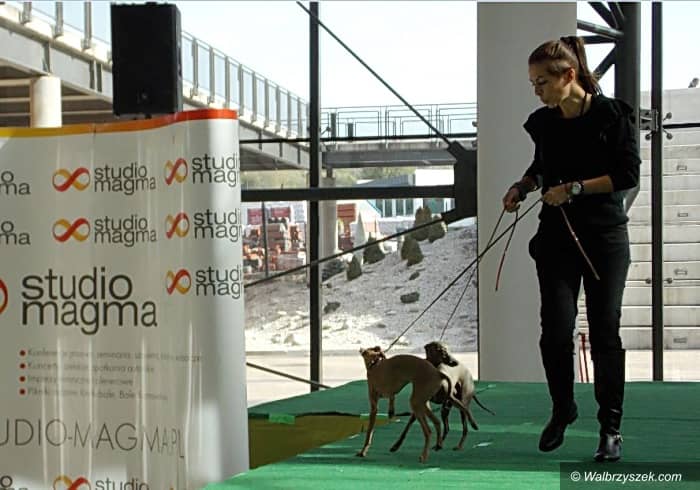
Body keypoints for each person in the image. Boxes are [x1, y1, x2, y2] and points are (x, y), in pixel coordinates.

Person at [502, 36, 640, 462]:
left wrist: (574, 189)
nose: (537, 90)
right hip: (556, 239)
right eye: (533, 83)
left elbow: (627, 175)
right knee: (555, 333)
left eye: (542, 82)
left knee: (604, 334)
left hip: (604, 240)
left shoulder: (612, 115)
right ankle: (563, 408)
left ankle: (611, 428)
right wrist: (523, 186)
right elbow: (541, 166)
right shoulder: (543, 123)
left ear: (569, 75)